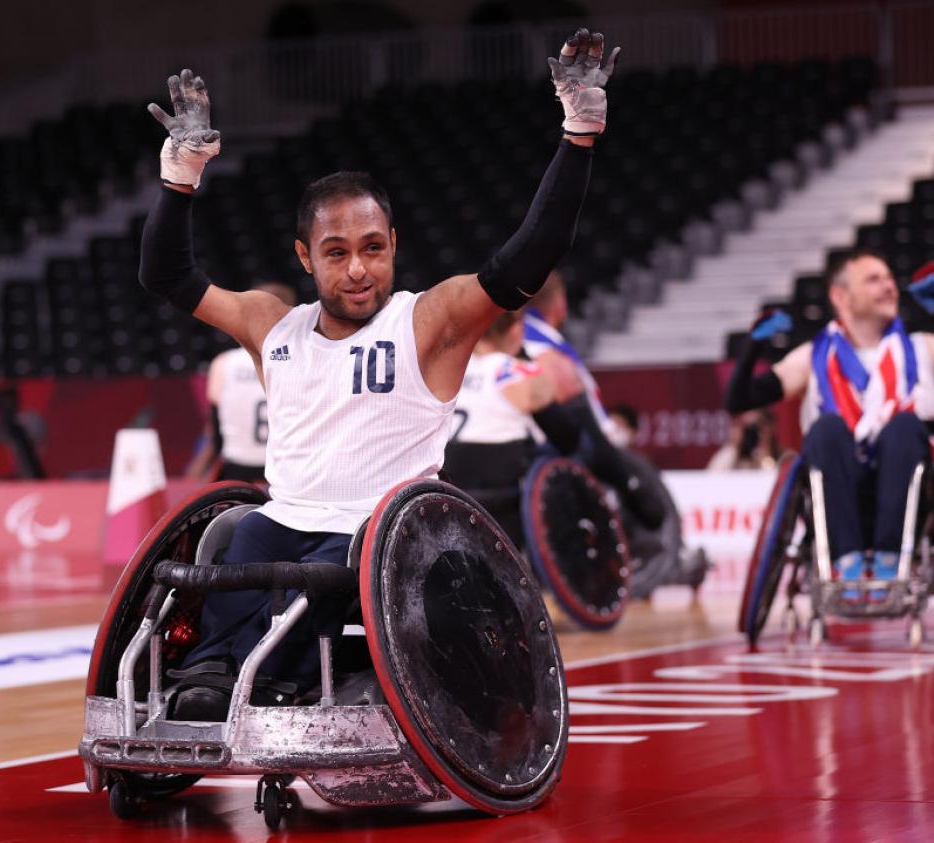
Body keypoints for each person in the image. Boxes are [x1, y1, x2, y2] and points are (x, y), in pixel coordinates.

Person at [137, 28, 617, 720]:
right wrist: (179, 177)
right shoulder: (273, 324)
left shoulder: (427, 323)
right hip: (287, 520)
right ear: (307, 257)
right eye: (337, 252)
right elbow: (166, 274)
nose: (357, 268)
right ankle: (210, 670)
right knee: (241, 537)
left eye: (370, 247)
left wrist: (579, 133)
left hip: (384, 533)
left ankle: (279, 677)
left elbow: (532, 253)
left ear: (393, 245)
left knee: (341, 560)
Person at [725, 252, 934, 595]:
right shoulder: (813, 356)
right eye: (873, 279)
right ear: (840, 296)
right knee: (825, 429)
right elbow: (738, 400)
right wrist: (753, 347)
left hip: (914, 502)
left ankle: (889, 555)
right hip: (838, 501)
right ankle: (846, 560)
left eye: (888, 278)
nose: (888, 286)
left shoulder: (925, 347)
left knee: (904, 425)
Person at [523, 270, 665, 528]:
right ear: (560, 304)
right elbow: (595, 427)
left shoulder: (507, 338)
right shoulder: (553, 349)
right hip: (555, 459)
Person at [442, 310, 558, 546]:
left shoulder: (445, 367)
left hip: (447, 487)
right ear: (516, 330)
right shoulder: (514, 371)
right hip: (500, 493)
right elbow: (566, 434)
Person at [186, 282, 298, 484]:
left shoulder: (224, 363)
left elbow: (215, 432)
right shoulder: (304, 357)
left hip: (238, 469)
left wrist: (199, 468)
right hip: (288, 468)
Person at [706, 408, 779, 471]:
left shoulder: (782, 455)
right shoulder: (730, 453)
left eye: (758, 426)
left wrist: (765, 455)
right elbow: (713, 478)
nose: (754, 433)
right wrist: (734, 448)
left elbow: (776, 479)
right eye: (748, 428)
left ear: (770, 426)